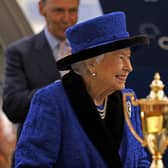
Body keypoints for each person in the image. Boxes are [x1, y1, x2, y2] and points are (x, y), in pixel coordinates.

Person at [14, 11, 151, 167]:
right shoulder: (52, 100)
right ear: (92, 63)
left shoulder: (129, 100)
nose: (129, 67)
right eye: (121, 58)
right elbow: (31, 165)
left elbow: (140, 160)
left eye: (129, 57)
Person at [2, 0, 79, 137]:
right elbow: (12, 107)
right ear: (41, 9)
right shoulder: (19, 52)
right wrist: (62, 87)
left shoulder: (88, 52)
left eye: (73, 11)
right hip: (38, 151)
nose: (67, 19)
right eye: (59, 11)